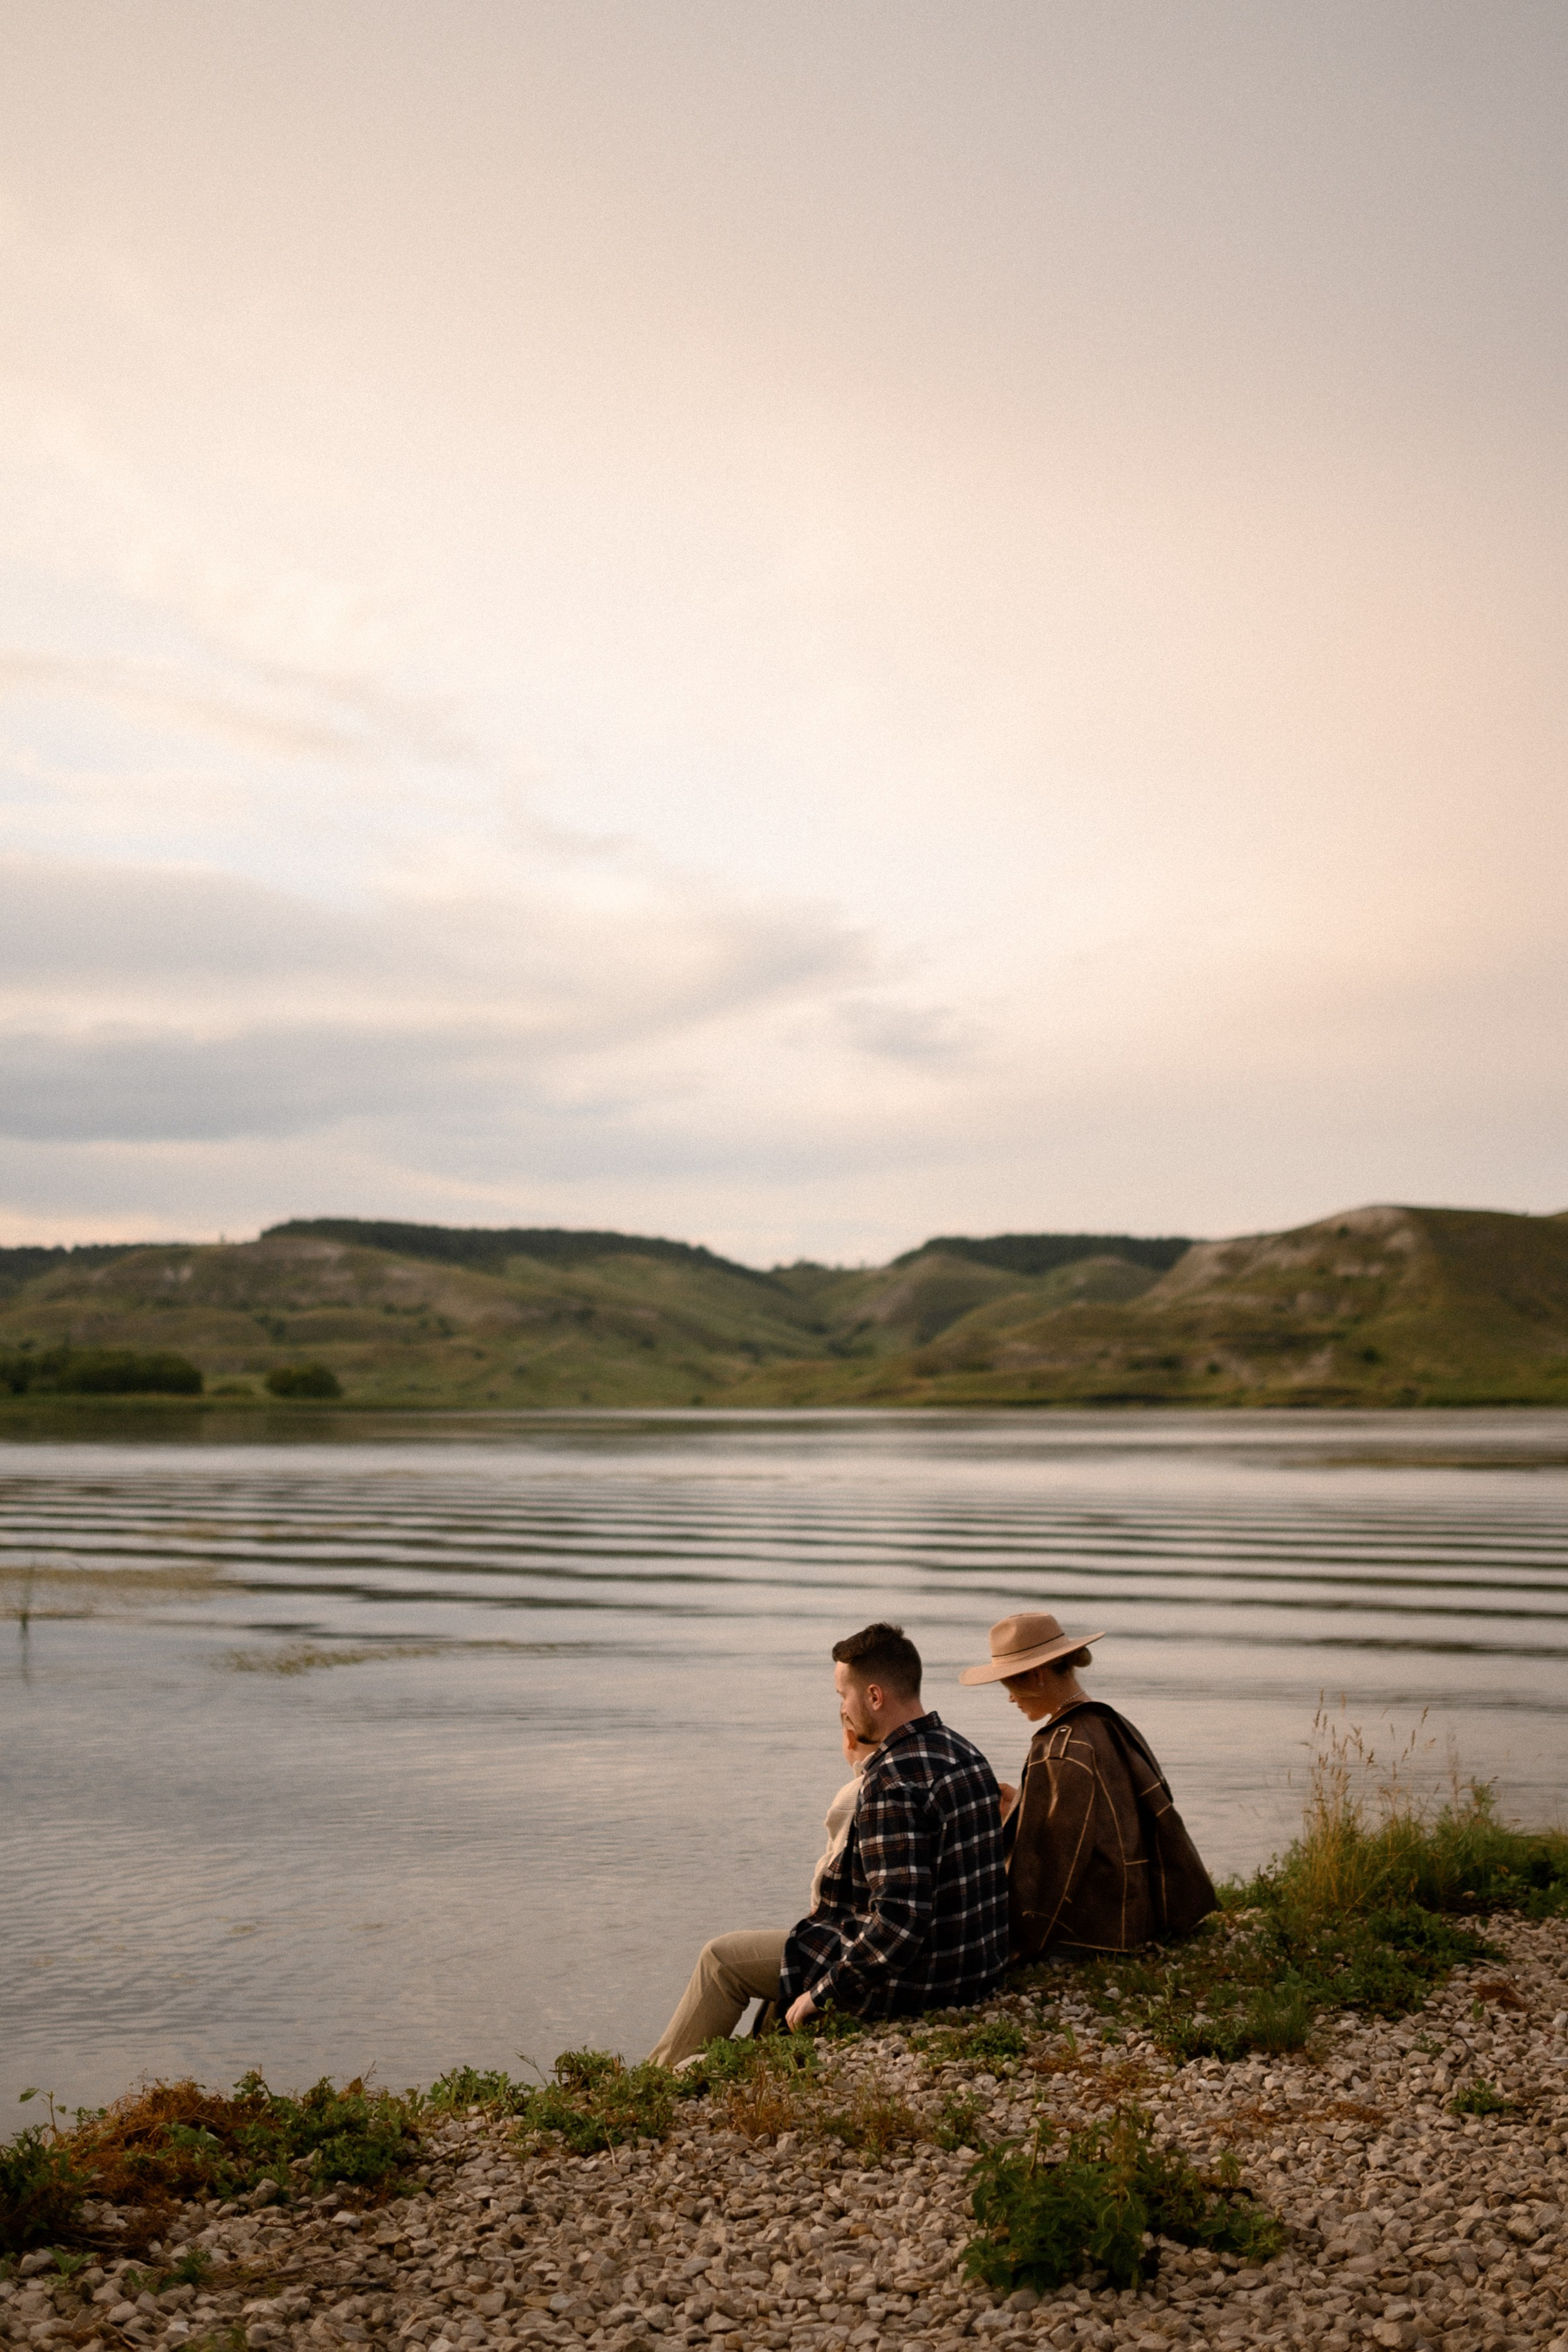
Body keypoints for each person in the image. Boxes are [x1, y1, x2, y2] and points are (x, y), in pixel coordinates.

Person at [647, 1622, 1008, 2066]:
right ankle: (748, 2054)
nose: (841, 1710)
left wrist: (825, 1992)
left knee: (721, 1959)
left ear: (875, 1696)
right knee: (799, 1951)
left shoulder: (891, 1783)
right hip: (972, 1969)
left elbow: (900, 1922)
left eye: (843, 1695)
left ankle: (655, 2081)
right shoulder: (965, 1752)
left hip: (919, 1980)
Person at [958, 1611, 1215, 1961]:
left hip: (1096, 1935)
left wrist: (1013, 1945)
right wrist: (1023, 1805)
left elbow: (1053, 1865)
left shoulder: (1057, 1747)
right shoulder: (1109, 1723)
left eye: (1009, 1685)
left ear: (1035, 1677)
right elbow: (1112, 1819)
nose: (1009, 1699)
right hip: (1141, 1916)